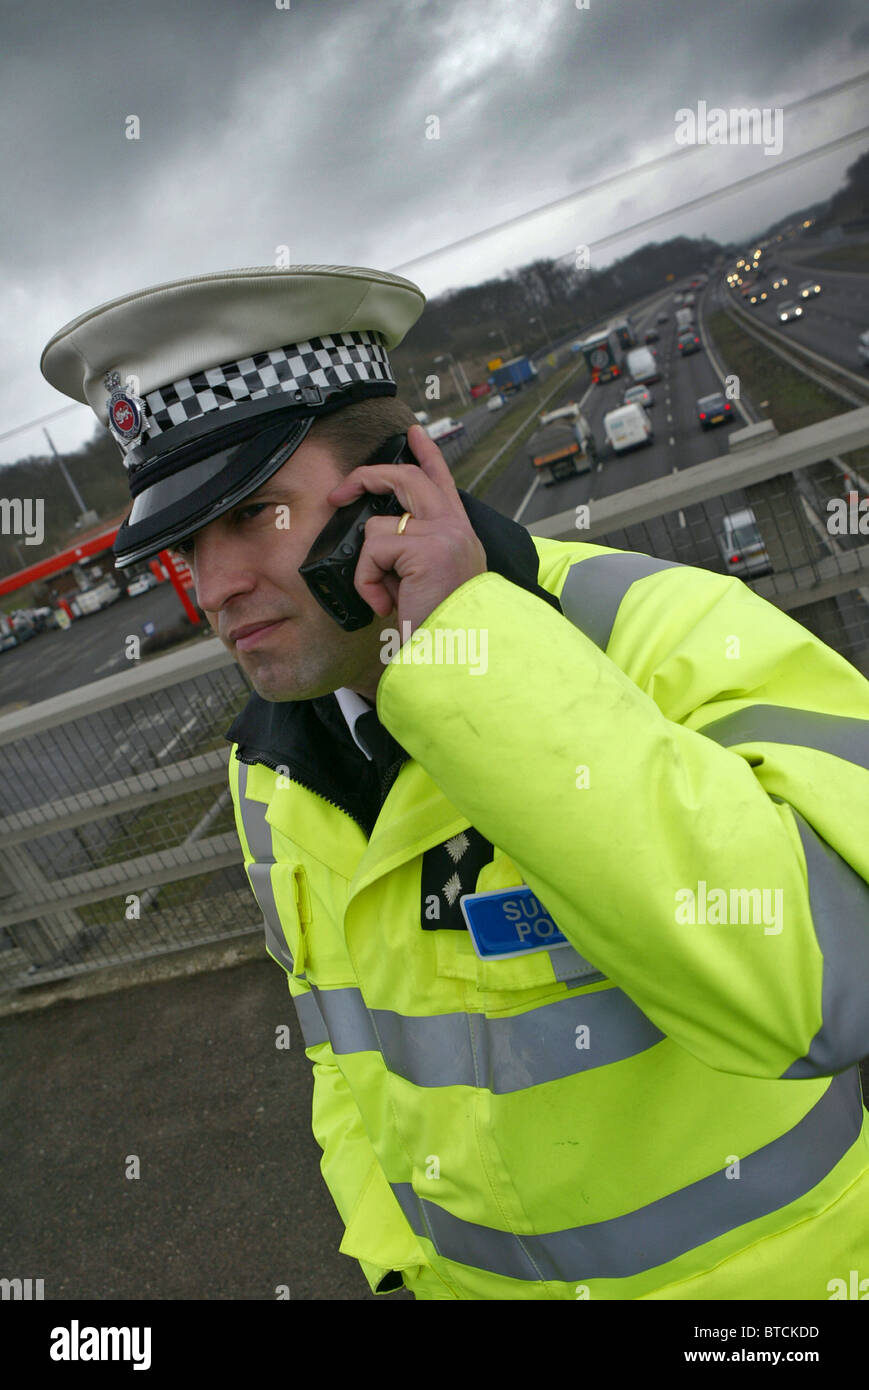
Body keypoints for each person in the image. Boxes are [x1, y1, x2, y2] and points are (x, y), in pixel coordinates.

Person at [41, 264, 869, 1302]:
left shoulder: (665, 632)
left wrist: (472, 648)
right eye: (186, 547)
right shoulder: (265, 770)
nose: (213, 589)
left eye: (254, 515)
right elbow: (342, 1058)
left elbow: (830, 986)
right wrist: (391, 1260)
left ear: (393, 486)